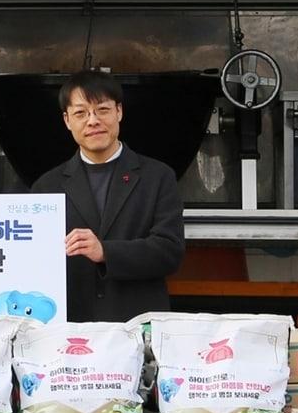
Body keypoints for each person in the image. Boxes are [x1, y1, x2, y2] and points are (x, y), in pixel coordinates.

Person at [32, 71, 185, 321]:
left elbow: (169, 252)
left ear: (119, 112)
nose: (92, 121)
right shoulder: (46, 186)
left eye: (102, 110)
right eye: (81, 113)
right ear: (67, 120)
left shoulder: (157, 176)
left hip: (137, 322)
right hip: (71, 326)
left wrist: (105, 251)